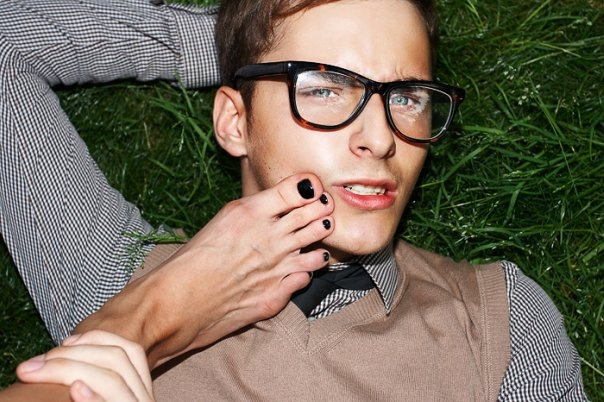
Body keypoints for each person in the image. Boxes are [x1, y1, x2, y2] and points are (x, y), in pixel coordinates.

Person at [0, 0, 588, 400]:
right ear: (235, 122)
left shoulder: (498, 321)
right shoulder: (114, 273)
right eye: (326, 87)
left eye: (407, 97)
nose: (381, 138)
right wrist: (242, 39)